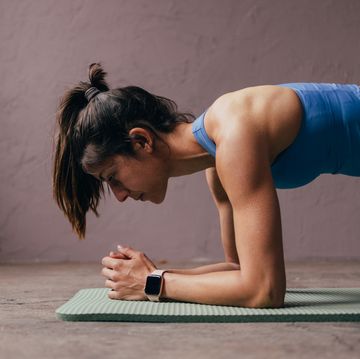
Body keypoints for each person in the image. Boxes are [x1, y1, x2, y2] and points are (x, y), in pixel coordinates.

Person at [52, 62, 360, 308]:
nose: (119, 196)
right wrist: (154, 275)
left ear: (141, 141)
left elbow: (264, 289)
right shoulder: (217, 164)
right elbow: (238, 269)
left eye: (113, 178)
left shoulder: (234, 131)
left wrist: (152, 284)